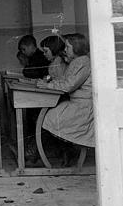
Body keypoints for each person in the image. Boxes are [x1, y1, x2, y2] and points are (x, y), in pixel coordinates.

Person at [36, 33, 94, 165]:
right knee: (47, 117)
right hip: (76, 104)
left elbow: (68, 85)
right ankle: (66, 152)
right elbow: (65, 81)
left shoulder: (83, 62)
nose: (65, 50)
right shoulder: (78, 61)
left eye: (68, 47)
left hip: (82, 108)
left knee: (48, 118)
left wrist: (47, 85)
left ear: (77, 48)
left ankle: (68, 151)